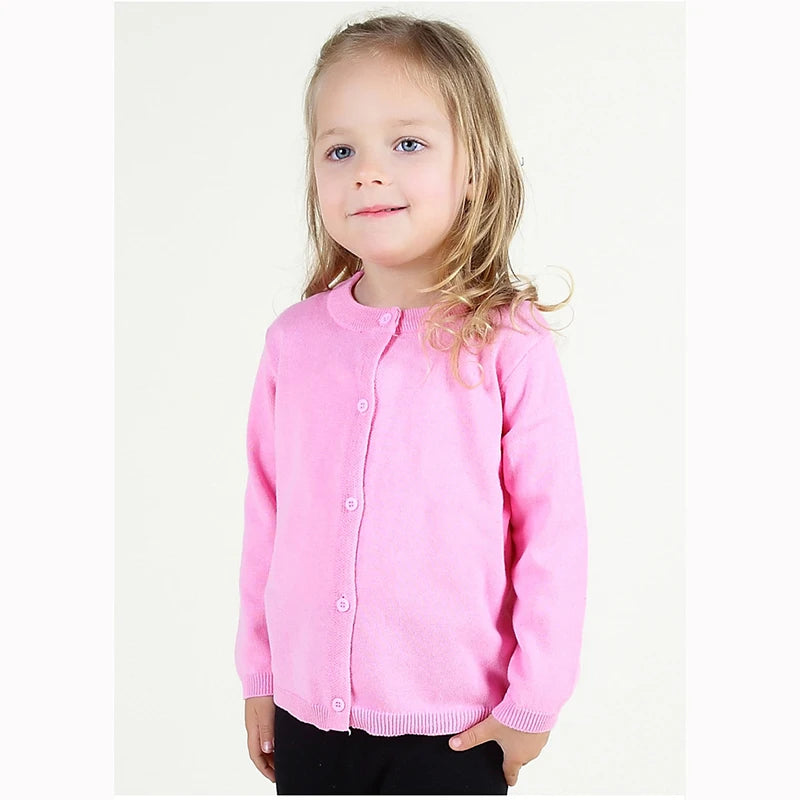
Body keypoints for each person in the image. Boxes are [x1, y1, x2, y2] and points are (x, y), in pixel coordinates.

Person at [234, 11, 589, 795]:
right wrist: (259, 672)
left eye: (407, 143)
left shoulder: (505, 343)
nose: (367, 171)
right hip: (306, 721)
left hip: (457, 730)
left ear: (474, 167)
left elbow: (552, 535)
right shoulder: (295, 342)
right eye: (340, 149)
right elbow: (269, 514)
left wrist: (533, 702)